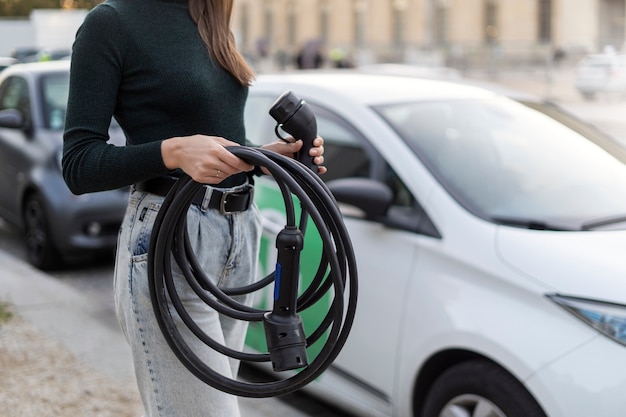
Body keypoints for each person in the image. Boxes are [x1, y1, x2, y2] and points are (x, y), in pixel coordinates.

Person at [62, 0, 325, 416]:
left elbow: (217, 144)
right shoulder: (110, 23)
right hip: (170, 239)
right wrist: (173, 151)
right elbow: (79, 165)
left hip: (239, 235)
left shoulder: (211, 14)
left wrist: (266, 157)